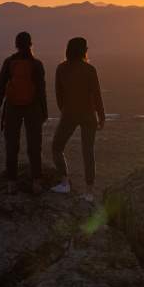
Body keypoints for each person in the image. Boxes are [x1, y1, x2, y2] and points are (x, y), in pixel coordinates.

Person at [51, 37, 105, 203]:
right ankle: (89, 192)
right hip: (88, 115)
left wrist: (65, 111)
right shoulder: (90, 69)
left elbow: (58, 95)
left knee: (57, 147)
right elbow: (97, 95)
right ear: (84, 50)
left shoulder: (61, 69)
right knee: (88, 152)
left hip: (70, 114)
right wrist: (101, 116)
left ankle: (65, 182)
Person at [0, 32, 48, 194]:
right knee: (34, 146)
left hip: (12, 107)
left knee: (11, 145)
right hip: (33, 108)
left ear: (16, 44)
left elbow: (1, 86)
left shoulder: (9, 62)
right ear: (31, 44)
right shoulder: (37, 64)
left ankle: (11, 183)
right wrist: (44, 110)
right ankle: (36, 182)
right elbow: (41, 90)